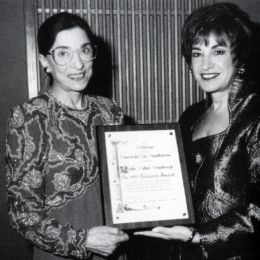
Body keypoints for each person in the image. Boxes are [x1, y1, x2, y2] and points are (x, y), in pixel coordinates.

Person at [135, 3, 260, 259]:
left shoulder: (256, 115)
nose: (206, 64)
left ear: (238, 56)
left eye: (218, 51)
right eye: (197, 53)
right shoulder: (190, 117)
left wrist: (200, 237)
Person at [5, 12, 129, 260]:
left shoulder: (110, 111)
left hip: (114, 250)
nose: (78, 64)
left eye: (84, 50)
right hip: (63, 254)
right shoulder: (30, 117)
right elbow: (22, 215)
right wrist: (83, 241)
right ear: (45, 62)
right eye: (63, 53)